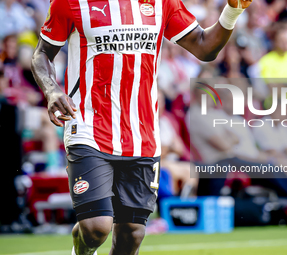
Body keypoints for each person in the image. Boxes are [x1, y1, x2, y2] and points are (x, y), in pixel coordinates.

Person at [31, 0, 253, 254]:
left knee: (131, 233)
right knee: (96, 227)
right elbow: (41, 54)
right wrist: (51, 91)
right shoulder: (70, 3)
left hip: (142, 133)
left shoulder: (162, 3)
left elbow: (205, 48)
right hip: (88, 124)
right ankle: (81, 248)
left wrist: (233, 10)